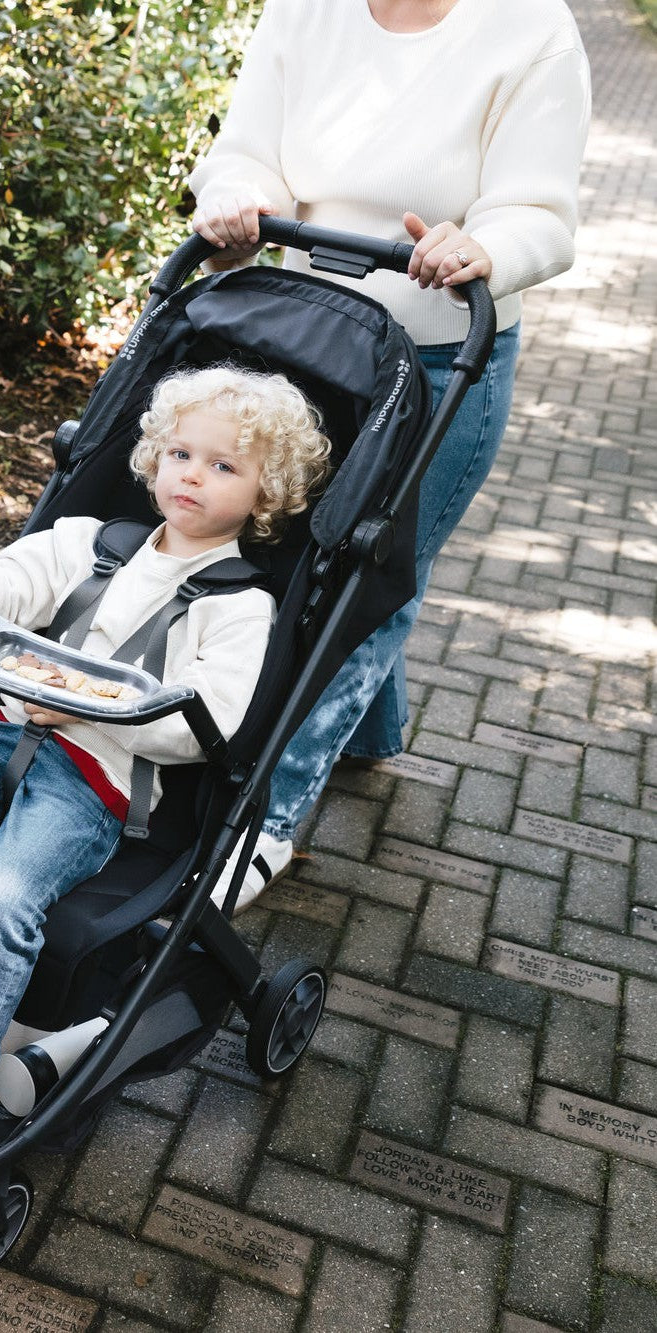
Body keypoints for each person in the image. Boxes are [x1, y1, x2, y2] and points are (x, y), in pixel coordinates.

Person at [0, 366, 331, 1161]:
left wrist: (90, 707)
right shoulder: (91, 544)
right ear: (154, 456)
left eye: (224, 465)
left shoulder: (239, 608)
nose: (192, 475)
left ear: (264, 493)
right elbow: (11, 584)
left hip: (98, 780)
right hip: (0, 736)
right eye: (181, 453)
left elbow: (209, 724)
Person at [185, 0, 591, 893]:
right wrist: (236, 192)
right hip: (308, 337)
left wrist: (484, 245)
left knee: (369, 583)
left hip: (446, 359)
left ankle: (266, 823)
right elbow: (248, 150)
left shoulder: (530, 29)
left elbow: (540, 212)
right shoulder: (304, 11)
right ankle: (368, 728)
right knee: (302, 557)